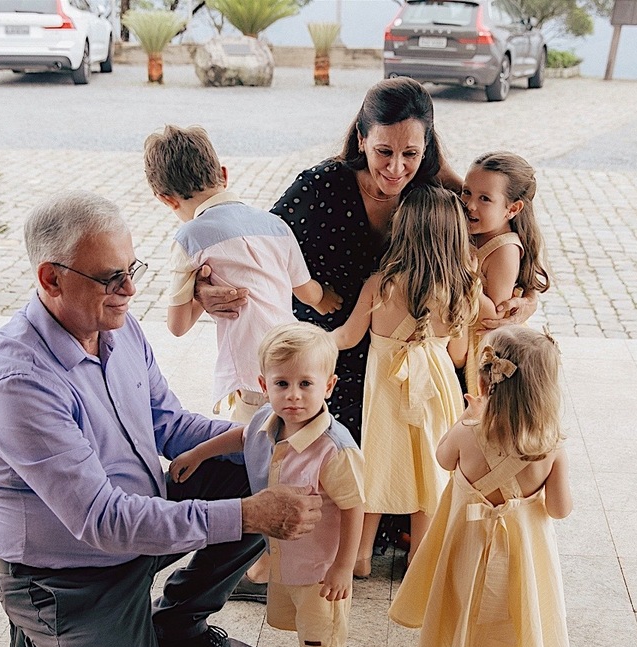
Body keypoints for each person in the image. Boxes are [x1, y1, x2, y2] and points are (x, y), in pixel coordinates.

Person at [0, 191, 323, 647]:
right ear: (51, 279)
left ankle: (175, 628)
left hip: (140, 517)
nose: (130, 291)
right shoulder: (15, 382)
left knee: (258, 465)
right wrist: (247, 515)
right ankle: (39, 634)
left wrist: (278, 433)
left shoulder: (116, 327)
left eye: (132, 271)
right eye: (111, 278)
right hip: (70, 575)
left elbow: (170, 424)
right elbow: (103, 519)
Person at [196, 77, 535, 574]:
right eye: (383, 151)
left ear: (428, 148)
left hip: (393, 362)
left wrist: (522, 300)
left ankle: (370, 539)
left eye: (411, 154)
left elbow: (503, 234)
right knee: (300, 451)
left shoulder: (439, 193)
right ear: (360, 137)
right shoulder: (319, 186)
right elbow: (256, 247)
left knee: (390, 462)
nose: (396, 168)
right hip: (328, 347)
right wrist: (205, 290)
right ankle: (279, 550)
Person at [168, 323, 365, 647]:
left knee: (324, 633)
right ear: (263, 384)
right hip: (287, 555)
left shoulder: (334, 449)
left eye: (305, 384)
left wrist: (343, 566)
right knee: (309, 628)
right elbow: (242, 437)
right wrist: (198, 452)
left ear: (328, 385)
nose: (293, 395)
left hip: (319, 565)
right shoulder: (268, 419)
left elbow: (354, 507)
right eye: (282, 383)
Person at [389, 326, 572, 647]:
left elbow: (442, 459)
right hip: (523, 559)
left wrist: (464, 419)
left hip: (468, 551)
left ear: (486, 378)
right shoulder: (549, 445)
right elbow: (561, 509)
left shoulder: (468, 431)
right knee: (517, 631)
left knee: (470, 627)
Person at [143, 124, 341, 423]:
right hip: (293, 356)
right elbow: (307, 291)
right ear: (223, 174)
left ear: (166, 199)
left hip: (254, 369)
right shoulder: (274, 224)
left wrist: (198, 292)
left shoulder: (189, 239)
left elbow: (178, 325)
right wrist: (328, 299)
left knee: (254, 448)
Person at [329, 184, 477, 575]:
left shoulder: (380, 285)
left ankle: (360, 557)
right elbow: (459, 354)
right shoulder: (461, 289)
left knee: (379, 464)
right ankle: (419, 557)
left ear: (402, 228)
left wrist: (308, 341)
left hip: (386, 393)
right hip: (436, 388)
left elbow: (347, 338)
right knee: (431, 465)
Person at [460, 151, 551, 392]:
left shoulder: (504, 249)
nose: (470, 205)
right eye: (467, 192)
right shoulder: (475, 233)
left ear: (512, 209)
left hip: (484, 345)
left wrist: (461, 275)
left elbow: (494, 316)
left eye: (485, 199)